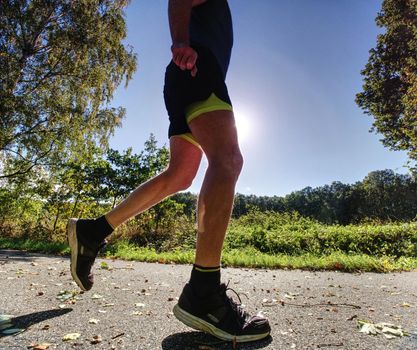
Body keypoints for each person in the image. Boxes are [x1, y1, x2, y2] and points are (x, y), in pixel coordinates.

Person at [67, 0, 270, 343]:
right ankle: (204, 290)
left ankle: (92, 231)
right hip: (195, 67)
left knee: (181, 174)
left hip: (186, 75)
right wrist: (180, 42)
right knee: (228, 160)